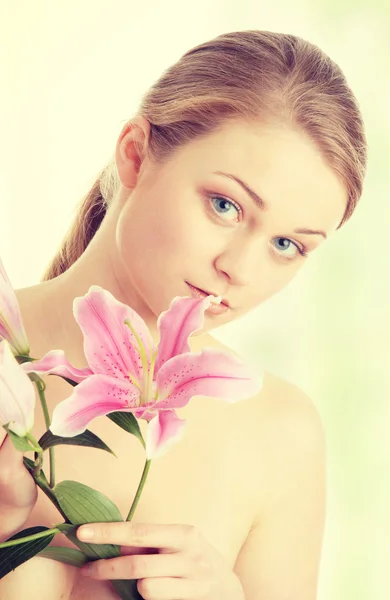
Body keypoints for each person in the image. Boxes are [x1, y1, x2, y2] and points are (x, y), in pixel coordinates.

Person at [0, 29, 367, 600]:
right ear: (135, 154)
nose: (239, 270)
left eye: (287, 245)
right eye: (226, 205)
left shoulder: (280, 432)